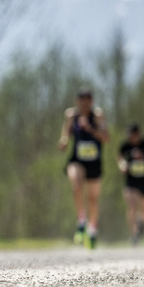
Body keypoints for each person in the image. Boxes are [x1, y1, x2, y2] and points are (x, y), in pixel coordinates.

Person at [58, 89, 109, 247]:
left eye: (88, 100)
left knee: (93, 199)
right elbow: (66, 133)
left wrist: (90, 129)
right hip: (77, 159)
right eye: (82, 100)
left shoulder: (98, 116)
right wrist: (64, 141)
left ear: (92, 102)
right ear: (77, 101)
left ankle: (92, 230)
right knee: (76, 184)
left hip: (94, 162)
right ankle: (81, 220)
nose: (85, 103)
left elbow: (106, 138)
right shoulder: (71, 115)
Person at [117, 123, 144, 245]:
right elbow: (120, 158)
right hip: (131, 182)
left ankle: (140, 223)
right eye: (130, 135)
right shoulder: (125, 146)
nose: (132, 138)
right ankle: (133, 235)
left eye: (134, 135)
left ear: (138, 134)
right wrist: (122, 165)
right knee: (132, 206)